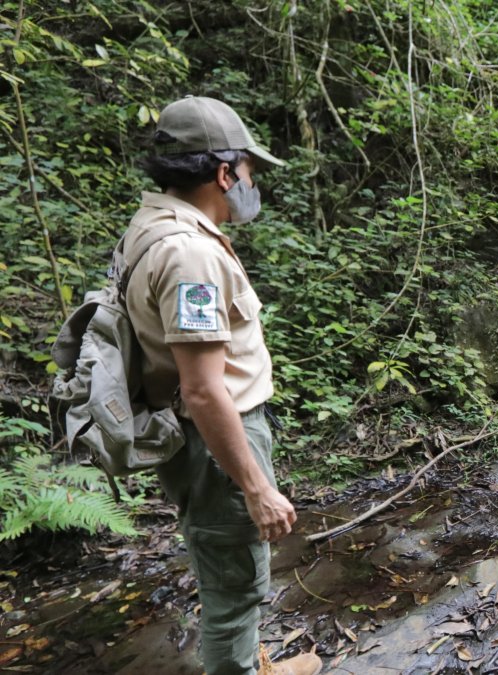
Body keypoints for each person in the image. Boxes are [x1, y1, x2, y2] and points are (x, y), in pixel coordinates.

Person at [125, 97, 319, 675]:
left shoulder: (153, 227)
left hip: (205, 441)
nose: (252, 184)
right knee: (234, 590)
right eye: (250, 170)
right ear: (224, 173)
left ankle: (253, 663)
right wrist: (255, 487)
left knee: (231, 570)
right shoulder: (189, 255)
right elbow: (205, 391)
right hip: (215, 444)